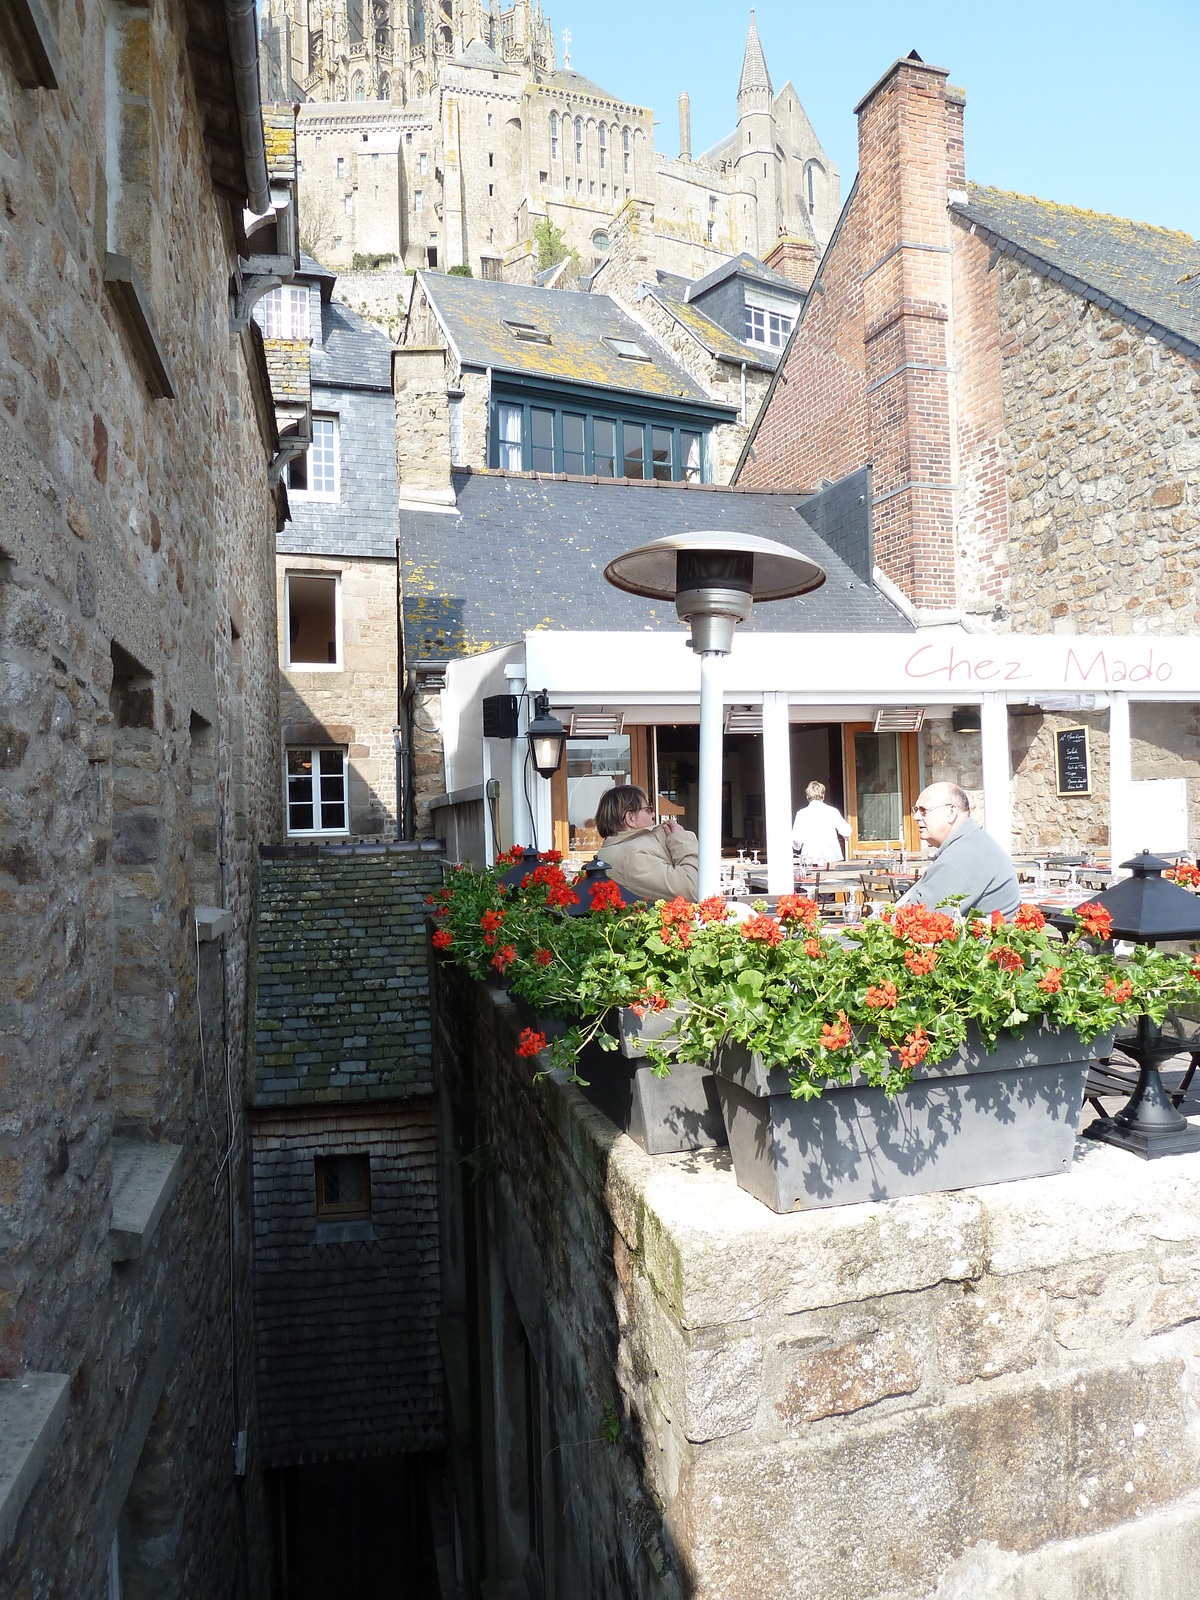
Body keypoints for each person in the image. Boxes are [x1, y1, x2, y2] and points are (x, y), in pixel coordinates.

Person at [896, 782, 1021, 918]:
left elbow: (917, 920)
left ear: (951, 812)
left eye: (923, 810)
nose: (916, 817)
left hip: (981, 938)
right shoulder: (970, 843)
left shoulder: (964, 856)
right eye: (916, 810)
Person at [594, 784, 698, 903]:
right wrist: (681, 839)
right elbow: (694, 887)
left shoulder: (615, 849)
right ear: (630, 818)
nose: (653, 814)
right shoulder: (634, 856)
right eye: (649, 809)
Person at [791, 781, 852, 866]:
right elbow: (846, 832)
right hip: (832, 858)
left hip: (810, 859)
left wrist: (797, 846)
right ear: (823, 796)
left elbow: (797, 840)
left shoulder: (801, 814)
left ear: (807, 797)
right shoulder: (832, 811)